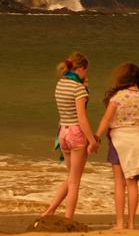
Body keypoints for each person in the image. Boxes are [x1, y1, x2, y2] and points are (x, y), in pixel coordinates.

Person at [42, 52, 99, 219]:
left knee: (70, 177)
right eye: (86, 71)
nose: (86, 74)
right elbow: (82, 117)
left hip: (63, 133)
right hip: (76, 133)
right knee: (75, 181)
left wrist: (84, 87)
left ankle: (50, 210)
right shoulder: (78, 88)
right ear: (80, 68)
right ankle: (68, 219)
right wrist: (92, 141)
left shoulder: (61, 83)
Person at [95, 62, 139, 230]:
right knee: (132, 183)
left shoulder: (118, 97)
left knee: (119, 183)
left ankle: (120, 223)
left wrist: (96, 137)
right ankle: (132, 224)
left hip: (119, 140)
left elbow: (106, 119)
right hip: (137, 139)